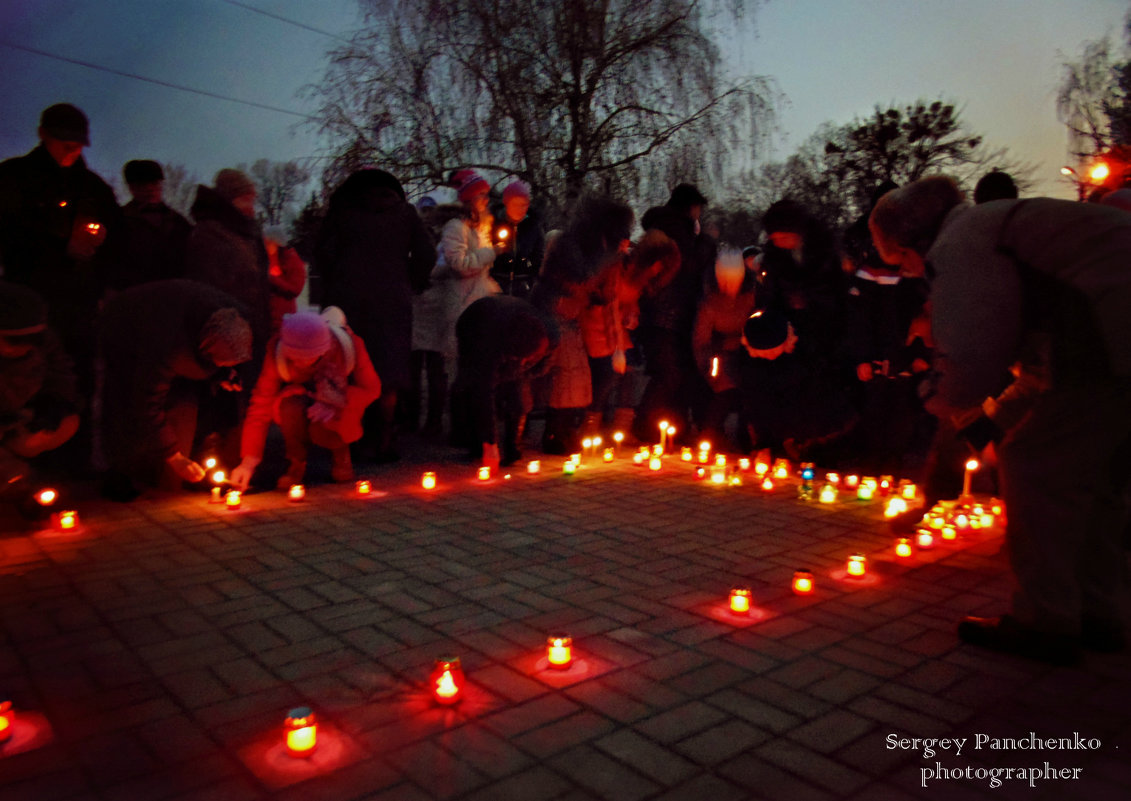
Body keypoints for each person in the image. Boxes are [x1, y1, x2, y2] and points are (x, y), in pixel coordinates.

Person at [870, 175, 1131, 664]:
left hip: (1110, 336)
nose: (909, 275)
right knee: (1094, 480)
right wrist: (987, 420)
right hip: (1110, 340)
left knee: (1034, 464)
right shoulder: (1001, 229)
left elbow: (967, 365)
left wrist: (936, 394)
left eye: (901, 262)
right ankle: (1099, 613)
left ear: (909, 242)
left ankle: (1045, 620)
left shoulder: (962, 244)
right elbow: (1037, 375)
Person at [0, 103, 120, 465]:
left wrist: (101, 257)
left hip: (81, 303)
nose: (72, 150)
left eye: (78, 144)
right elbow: (8, 233)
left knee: (77, 380)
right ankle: (23, 472)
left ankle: (75, 464)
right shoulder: (14, 178)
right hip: (29, 305)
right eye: (64, 141)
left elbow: (119, 238)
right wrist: (59, 244)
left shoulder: (93, 188)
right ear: (43, 135)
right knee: (24, 383)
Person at [316, 169, 434, 462]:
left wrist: (335, 282)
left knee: (347, 365)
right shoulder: (404, 214)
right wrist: (410, 281)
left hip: (347, 302)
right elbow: (427, 254)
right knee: (388, 371)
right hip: (391, 302)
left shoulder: (342, 213)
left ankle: (348, 439)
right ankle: (384, 441)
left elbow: (322, 253)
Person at [98, 280, 252, 501]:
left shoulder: (236, 320)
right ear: (205, 351)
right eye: (222, 363)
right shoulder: (168, 345)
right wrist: (173, 456)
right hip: (124, 329)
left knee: (187, 402)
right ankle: (124, 471)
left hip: (179, 323)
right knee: (126, 401)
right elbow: (146, 402)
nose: (227, 368)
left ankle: (177, 466)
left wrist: (223, 375)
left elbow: (222, 359)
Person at [230, 309, 381, 490]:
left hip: (341, 399)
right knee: (290, 406)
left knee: (328, 420)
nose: (302, 363)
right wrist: (249, 460)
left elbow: (371, 388)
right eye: (295, 358)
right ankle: (296, 462)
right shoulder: (276, 352)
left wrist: (335, 403)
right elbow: (260, 403)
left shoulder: (348, 346)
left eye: (309, 357)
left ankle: (341, 454)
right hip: (301, 397)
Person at [530, 196, 634, 454]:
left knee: (575, 378)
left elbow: (593, 288)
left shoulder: (589, 247)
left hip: (570, 315)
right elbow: (582, 276)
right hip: (554, 311)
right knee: (564, 376)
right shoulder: (569, 244)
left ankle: (563, 431)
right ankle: (554, 433)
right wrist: (611, 257)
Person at [411, 169, 503, 437]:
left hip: (479, 299)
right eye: (482, 195)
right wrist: (491, 252)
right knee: (456, 367)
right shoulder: (456, 227)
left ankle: (470, 424)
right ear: (470, 198)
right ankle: (456, 426)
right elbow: (460, 265)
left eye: (487, 195)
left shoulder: (481, 227)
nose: (487, 199)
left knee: (476, 366)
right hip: (461, 303)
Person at [634, 183, 716, 443]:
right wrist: (706, 242)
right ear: (692, 207)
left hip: (664, 313)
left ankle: (671, 428)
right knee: (669, 374)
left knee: (674, 373)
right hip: (669, 313)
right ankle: (644, 425)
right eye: (698, 208)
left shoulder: (662, 226)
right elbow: (689, 266)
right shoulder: (677, 229)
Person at [450, 295, 558, 470]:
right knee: (473, 387)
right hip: (474, 323)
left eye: (528, 359)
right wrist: (489, 443)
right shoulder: (486, 343)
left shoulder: (550, 333)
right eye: (518, 358)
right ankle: (478, 444)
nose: (523, 363)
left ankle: (512, 447)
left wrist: (523, 372)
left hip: (507, 323)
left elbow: (543, 365)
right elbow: (483, 392)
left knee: (518, 390)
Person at [0, 282, 80, 509]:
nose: (25, 348)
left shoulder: (43, 342)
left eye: (33, 341)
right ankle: (17, 486)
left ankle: (32, 484)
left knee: (65, 424)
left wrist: (55, 403)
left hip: (21, 416)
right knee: (11, 473)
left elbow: (61, 374)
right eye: (14, 341)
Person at [185, 169, 271, 364]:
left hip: (254, 328)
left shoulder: (247, 233)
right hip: (227, 335)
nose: (252, 208)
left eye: (252, 200)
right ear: (228, 200)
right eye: (245, 200)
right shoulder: (209, 234)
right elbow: (205, 292)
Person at [692, 247, 757, 452]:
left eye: (733, 280)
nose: (729, 286)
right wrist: (707, 369)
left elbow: (759, 327)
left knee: (752, 390)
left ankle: (750, 439)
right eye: (724, 280)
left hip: (750, 354)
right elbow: (700, 340)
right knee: (723, 389)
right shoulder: (709, 302)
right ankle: (710, 436)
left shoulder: (753, 297)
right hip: (719, 355)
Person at [110, 159, 192, 290]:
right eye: (142, 184)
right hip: (134, 294)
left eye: (154, 183)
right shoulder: (117, 221)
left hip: (175, 293)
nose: (150, 189)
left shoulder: (179, 222)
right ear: (131, 188)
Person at [490, 179, 545, 298]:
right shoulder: (493, 224)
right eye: (515, 204)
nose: (520, 209)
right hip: (495, 285)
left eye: (524, 205)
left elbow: (538, 257)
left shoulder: (533, 226)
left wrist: (534, 280)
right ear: (506, 203)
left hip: (523, 286)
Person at [264, 225, 306, 336]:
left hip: (283, 319)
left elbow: (295, 289)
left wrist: (272, 279)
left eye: (268, 242)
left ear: (277, 243)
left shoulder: (292, 261)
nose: (265, 246)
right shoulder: (268, 259)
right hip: (268, 317)